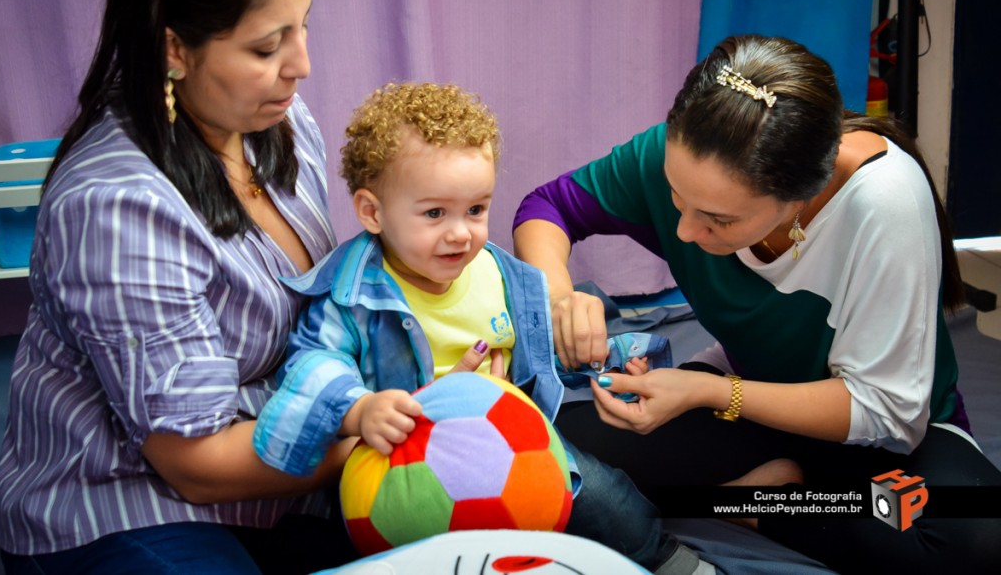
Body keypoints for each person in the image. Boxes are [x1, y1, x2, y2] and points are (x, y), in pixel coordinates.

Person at [512, 34, 1001, 573]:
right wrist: (558, 295)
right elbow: (549, 207)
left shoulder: (883, 201)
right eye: (676, 195)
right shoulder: (687, 155)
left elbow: (888, 412)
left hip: (887, 446)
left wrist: (707, 390)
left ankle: (751, 504)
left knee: (972, 539)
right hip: (749, 416)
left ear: (801, 196)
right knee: (547, 457)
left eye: (719, 220)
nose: (683, 229)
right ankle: (773, 488)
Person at [0, 0, 359, 574]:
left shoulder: (276, 124)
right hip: (127, 505)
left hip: (277, 482)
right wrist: (369, 445)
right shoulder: (114, 205)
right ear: (173, 49)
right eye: (266, 45)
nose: (301, 65)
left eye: (302, 26)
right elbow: (195, 465)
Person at [252, 81, 711, 574]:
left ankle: (664, 559)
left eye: (476, 210)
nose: (460, 232)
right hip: (404, 463)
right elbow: (312, 361)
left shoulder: (499, 277)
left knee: (603, 495)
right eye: (434, 213)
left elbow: (543, 351)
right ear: (372, 212)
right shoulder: (353, 294)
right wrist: (360, 408)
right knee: (336, 542)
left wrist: (608, 359)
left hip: (507, 444)